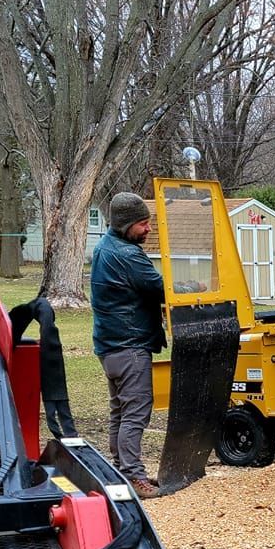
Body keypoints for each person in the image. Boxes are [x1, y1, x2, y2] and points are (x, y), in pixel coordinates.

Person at [90, 193, 165, 495]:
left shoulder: (104, 247)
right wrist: (191, 287)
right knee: (135, 412)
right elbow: (160, 288)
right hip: (129, 345)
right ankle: (135, 476)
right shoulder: (128, 255)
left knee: (120, 411)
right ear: (125, 224)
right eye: (143, 224)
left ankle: (121, 470)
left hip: (109, 344)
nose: (148, 229)